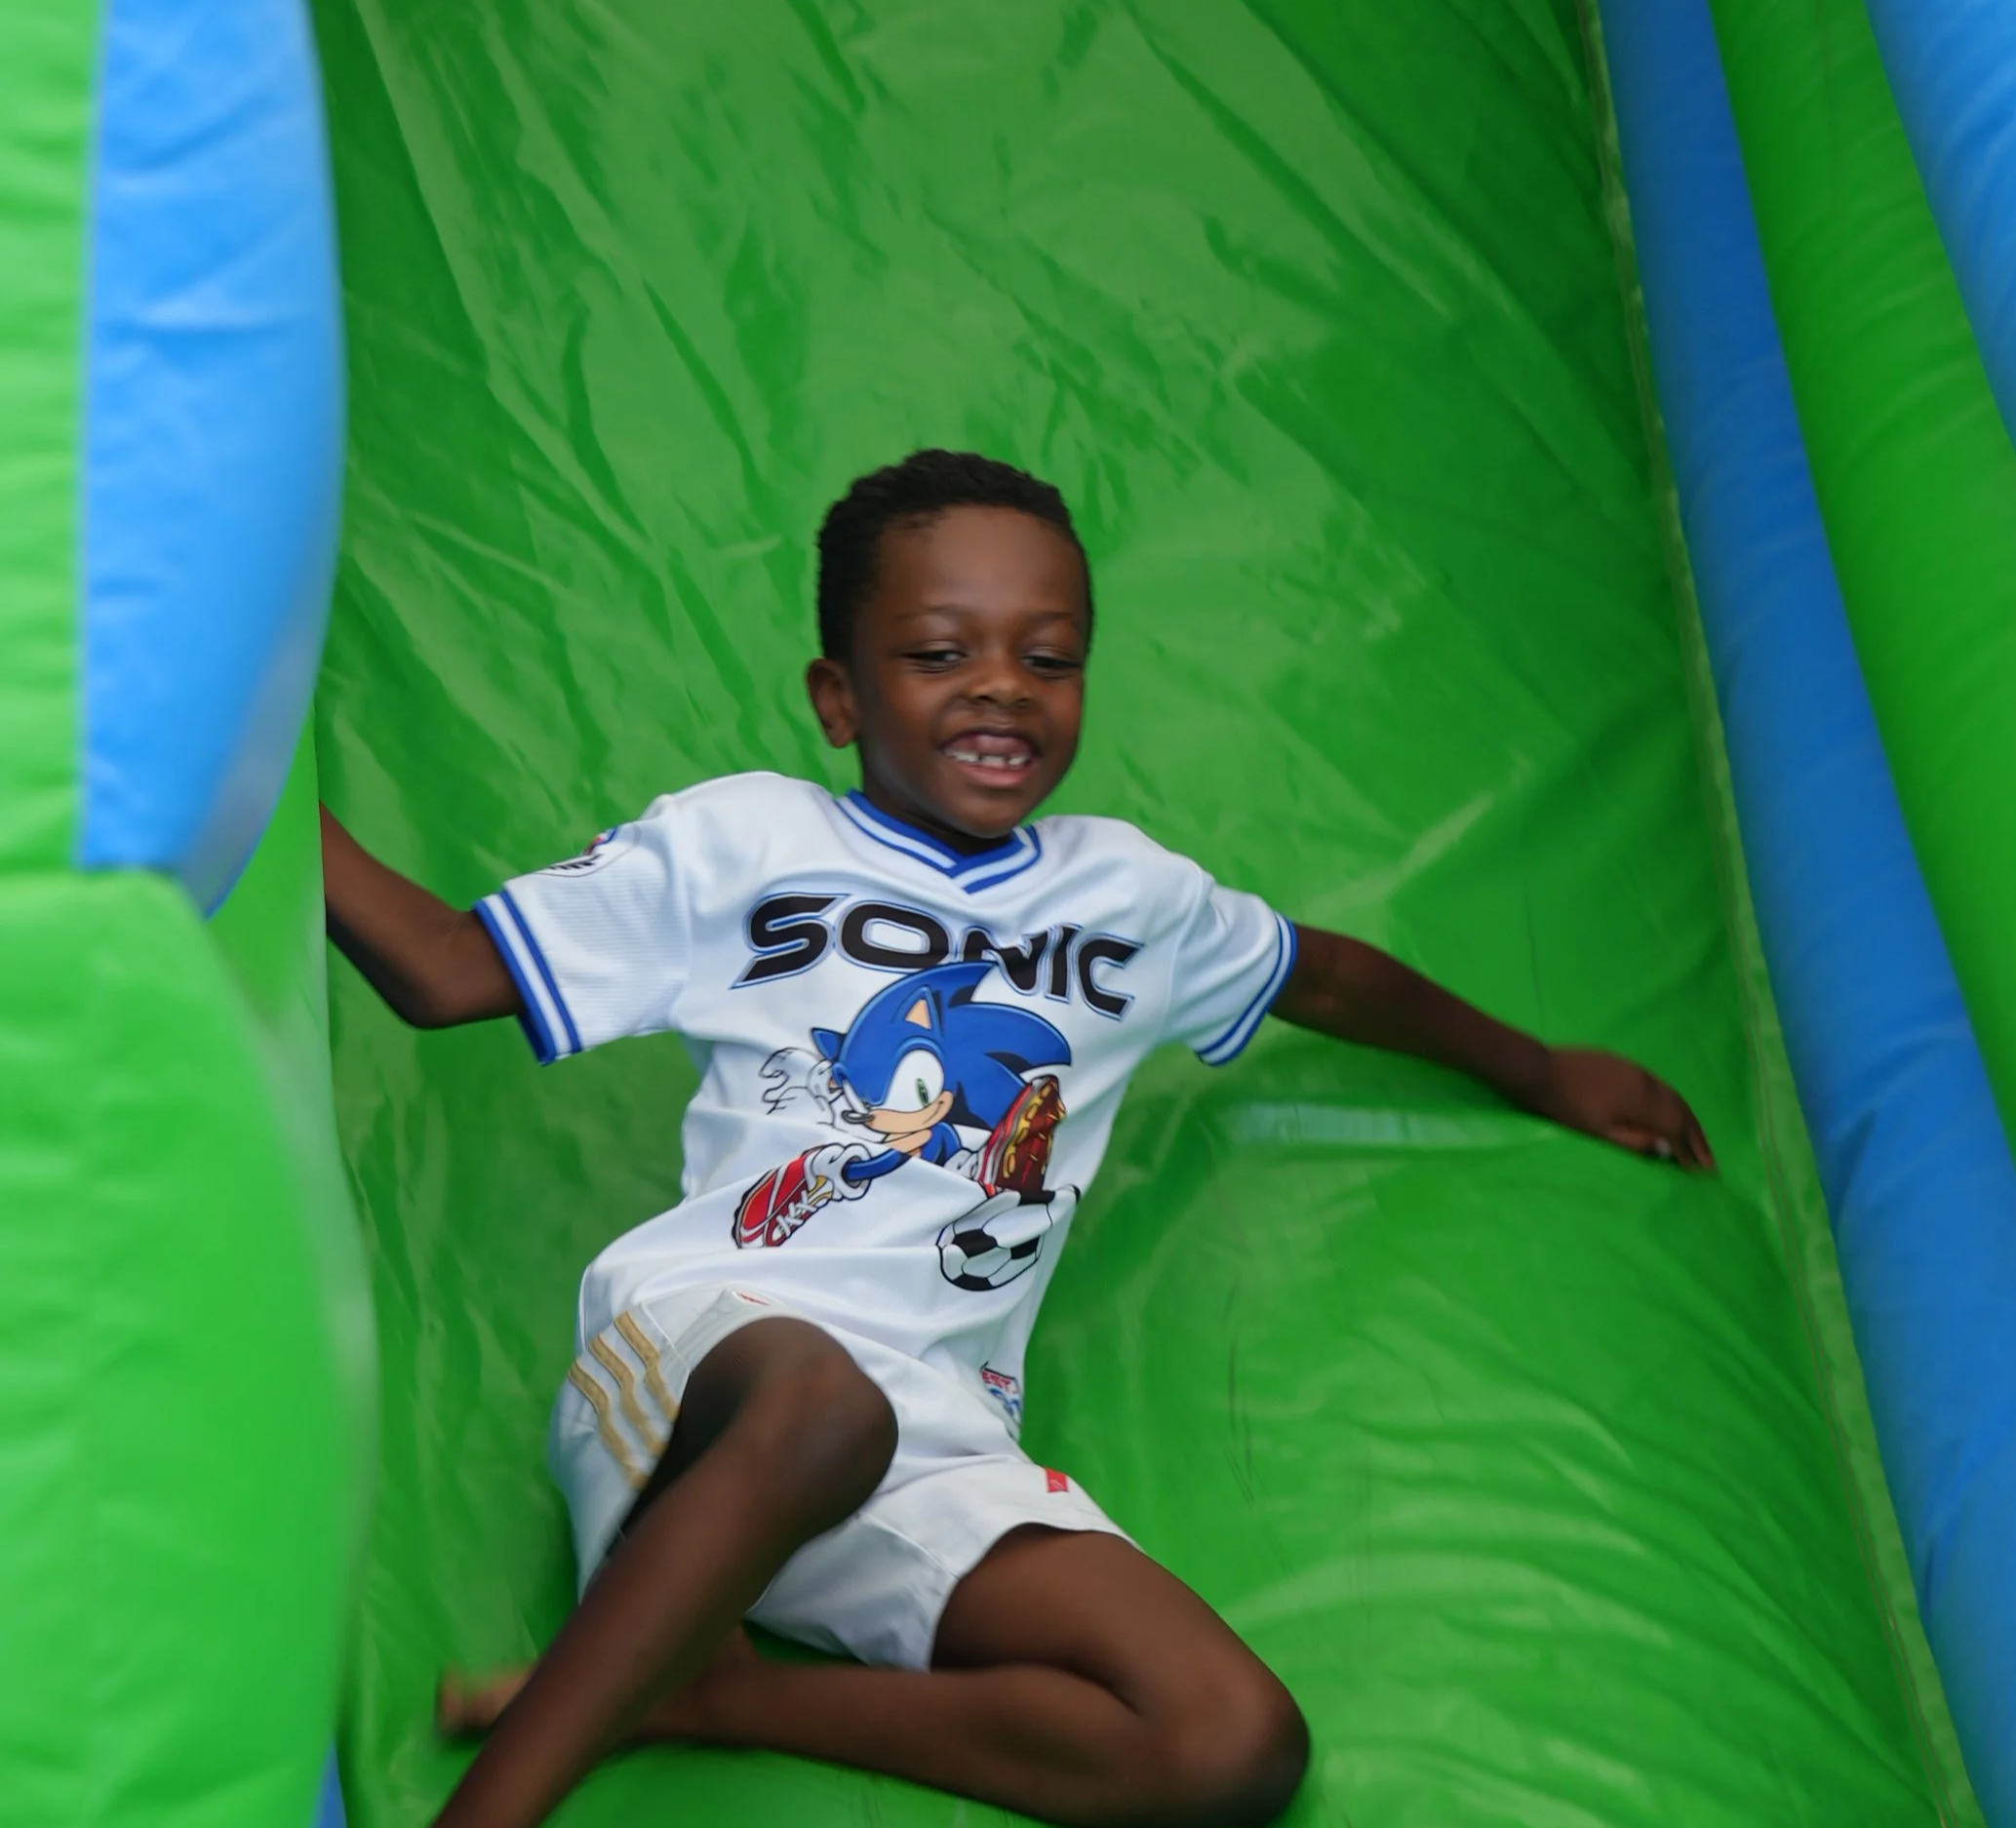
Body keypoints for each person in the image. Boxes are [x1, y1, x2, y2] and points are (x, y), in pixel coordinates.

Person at [323, 448, 1713, 1828]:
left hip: (930, 1438)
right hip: (712, 1365)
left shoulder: (1131, 897)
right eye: (938, 650)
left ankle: (709, 1689)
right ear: (836, 695)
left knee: (1230, 1743)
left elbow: (1326, 975)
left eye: (1048, 656)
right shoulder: (746, 841)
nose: (1000, 683)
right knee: (823, 1407)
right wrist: (234, 774)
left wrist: (1540, 1069)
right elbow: (444, 969)